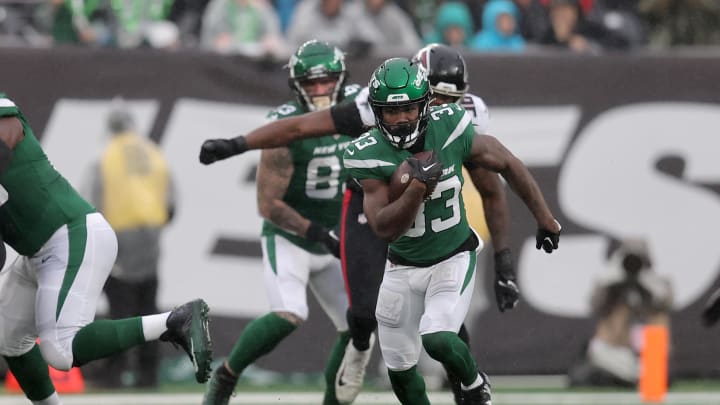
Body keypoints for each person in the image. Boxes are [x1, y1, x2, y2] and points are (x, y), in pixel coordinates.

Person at [198, 44, 523, 405]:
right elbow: (300, 127)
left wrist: (505, 260)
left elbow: (492, 189)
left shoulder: (463, 118)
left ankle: (467, 389)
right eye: (437, 95)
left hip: (426, 217)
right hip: (368, 210)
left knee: (445, 319)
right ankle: (359, 342)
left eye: (452, 97)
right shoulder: (374, 104)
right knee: (364, 314)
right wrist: (237, 144)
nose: (442, 106)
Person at [340, 57, 560, 405]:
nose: (400, 120)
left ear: (425, 104)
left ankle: (474, 385)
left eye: (409, 109)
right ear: (376, 112)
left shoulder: (452, 124)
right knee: (399, 369)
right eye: (390, 112)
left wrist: (545, 217)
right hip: (401, 265)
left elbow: (506, 162)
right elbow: (382, 227)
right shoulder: (365, 153)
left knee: (438, 337)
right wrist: (415, 188)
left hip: (452, 256)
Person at [0, 93, 212, 405]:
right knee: (9, 340)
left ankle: (175, 321)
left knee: (62, 350)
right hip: (39, 248)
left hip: (69, 234)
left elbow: (8, 135)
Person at [201, 40, 366, 405]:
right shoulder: (284, 127)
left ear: (342, 78)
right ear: (296, 85)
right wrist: (318, 234)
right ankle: (226, 376)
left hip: (338, 233)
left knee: (358, 325)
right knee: (289, 314)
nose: (321, 90)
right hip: (292, 237)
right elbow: (268, 204)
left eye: (327, 81)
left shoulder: (361, 107)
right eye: (311, 83)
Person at [84, 98, 176, 388]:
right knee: (148, 305)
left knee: (120, 308)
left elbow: (90, 201)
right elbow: (171, 201)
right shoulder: (154, 153)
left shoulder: (105, 156)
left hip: (117, 236)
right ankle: (149, 372)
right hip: (150, 236)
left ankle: (115, 371)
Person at [569, 237, 672, 388]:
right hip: (616, 348)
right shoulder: (612, 286)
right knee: (617, 314)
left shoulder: (658, 282)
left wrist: (646, 282)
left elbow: (666, 303)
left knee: (659, 316)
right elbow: (594, 306)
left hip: (647, 352)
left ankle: (640, 374)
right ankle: (628, 374)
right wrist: (610, 280)